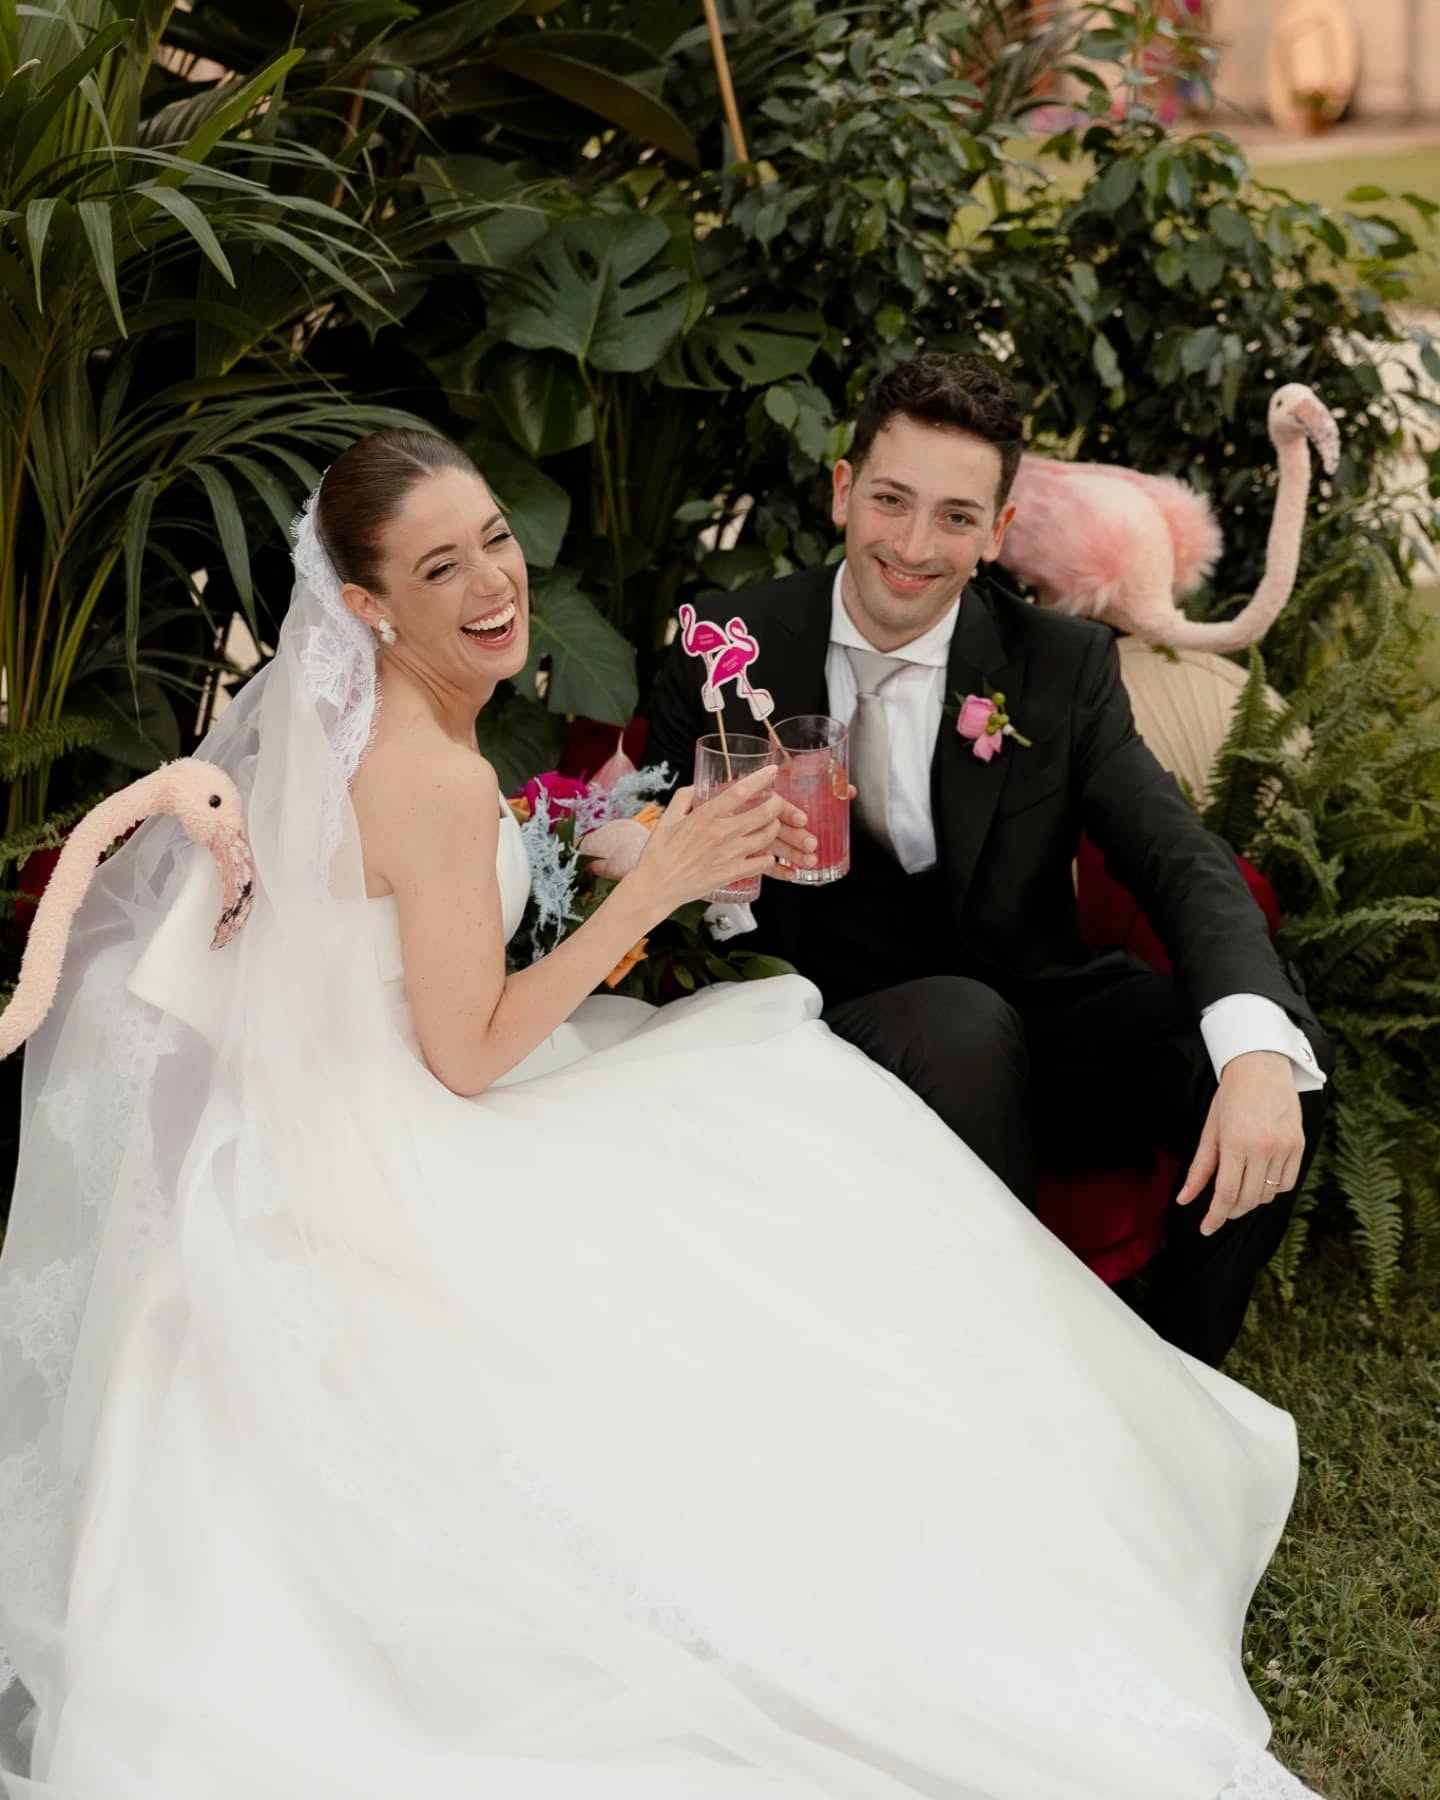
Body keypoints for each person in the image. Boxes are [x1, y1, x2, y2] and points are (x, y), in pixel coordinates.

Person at [0, 429, 1326, 1800]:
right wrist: (659, 882)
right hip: (428, 1124)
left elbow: (411, 921)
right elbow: (467, 1053)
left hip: (345, 1113)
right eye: (440, 566)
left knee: (789, 1116)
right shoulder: (432, 770)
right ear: (366, 607)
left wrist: (605, 844)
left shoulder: (372, 737)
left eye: (496, 542)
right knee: (788, 1150)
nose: (491, 584)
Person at [646, 354, 1333, 1369]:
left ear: (1000, 532)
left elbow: (1179, 855)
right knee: (959, 1026)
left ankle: (1166, 1371)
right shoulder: (727, 645)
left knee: (1276, 1054)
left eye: (958, 518)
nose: (915, 548)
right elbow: (648, 864)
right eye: (891, 501)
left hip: (1029, 1017)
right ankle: (1015, 1375)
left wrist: (1256, 1048)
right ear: (844, 491)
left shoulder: (1059, 664)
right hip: (805, 1035)